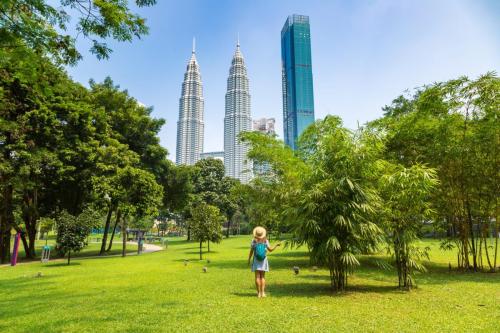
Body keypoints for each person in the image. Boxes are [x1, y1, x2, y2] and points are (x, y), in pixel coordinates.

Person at [248, 226, 280, 298]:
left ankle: (258, 293)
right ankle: (263, 293)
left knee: (257, 277)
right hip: (263, 260)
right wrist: (276, 245)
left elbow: (251, 252)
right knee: (262, 277)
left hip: (256, 260)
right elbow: (270, 250)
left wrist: (249, 259)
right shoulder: (265, 241)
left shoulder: (253, 241)